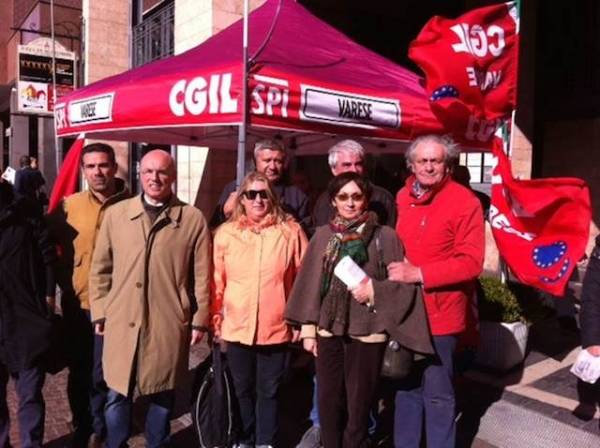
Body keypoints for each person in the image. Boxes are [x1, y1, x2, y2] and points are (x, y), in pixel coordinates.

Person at [286, 172, 433, 448]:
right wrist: (308, 330)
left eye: (356, 196)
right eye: (343, 197)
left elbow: (401, 284)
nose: (350, 203)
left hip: (369, 332)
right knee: (328, 404)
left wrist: (374, 291)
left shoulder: (385, 237)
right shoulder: (323, 237)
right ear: (333, 201)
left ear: (366, 199)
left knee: (359, 406)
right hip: (328, 330)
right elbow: (310, 284)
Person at [88, 149, 211, 448]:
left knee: (163, 393)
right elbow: (100, 268)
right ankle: (116, 443)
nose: (154, 178)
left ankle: (158, 443)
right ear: (139, 174)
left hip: (167, 321)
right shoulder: (117, 214)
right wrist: (100, 311)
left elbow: (202, 276)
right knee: (117, 392)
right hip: (121, 319)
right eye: (148, 172)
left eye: (161, 172)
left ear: (172, 176)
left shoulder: (191, 218)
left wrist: (199, 320)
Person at [390, 135, 484, 448]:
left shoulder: (464, 201)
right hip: (405, 312)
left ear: (447, 165)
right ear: (411, 165)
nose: (429, 167)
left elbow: (471, 262)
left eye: (436, 160)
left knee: (438, 394)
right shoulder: (402, 196)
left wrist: (419, 273)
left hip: (440, 315)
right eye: (423, 161)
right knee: (405, 387)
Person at [212, 171, 308, 448]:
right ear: (241, 198)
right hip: (237, 326)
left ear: (273, 198)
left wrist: (301, 321)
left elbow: (303, 279)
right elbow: (216, 280)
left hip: (275, 326)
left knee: (270, 391)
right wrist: (216, 320)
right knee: (241, 389)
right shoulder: (226, 234)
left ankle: (266, 441)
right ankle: (244, 438)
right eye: (251, 194)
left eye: (263, 193)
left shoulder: (290, 232)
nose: (257, 199)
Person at [47, 143, 129, 447]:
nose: (98, 172)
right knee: (79, 370)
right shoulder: (69, 207)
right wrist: (55, 284)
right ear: (83, 170)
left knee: (106, 373)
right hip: (78, 304)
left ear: (113, 167)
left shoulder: (131, 204)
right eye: (91, 166)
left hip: (116, 306)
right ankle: (84, 424)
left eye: (104, 165)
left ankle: (103, 426)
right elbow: (43, 243)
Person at [0, 178, 56, 448]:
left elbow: (47, 257)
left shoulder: (25, 211)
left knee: (30, 392)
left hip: (26, 319)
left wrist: (47, 298)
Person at [210, 139, 310, 231]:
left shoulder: (297, 196)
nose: (272, 167)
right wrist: (224, 213)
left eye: (278, 161)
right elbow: (213, 228)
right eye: (267, 160)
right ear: (255, 162)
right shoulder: (234, 188)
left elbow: (308, 233)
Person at [312, 139, 396, 228]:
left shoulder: (382, 198)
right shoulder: (323, 200)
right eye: (347, 165)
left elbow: (388, 237)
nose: (354, 170)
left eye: (358, 164)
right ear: (334, 169)